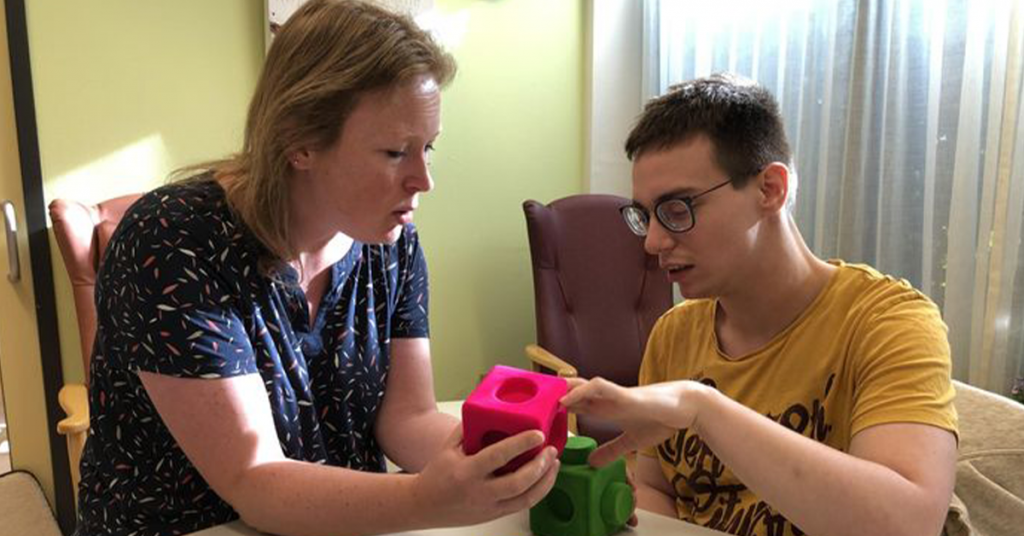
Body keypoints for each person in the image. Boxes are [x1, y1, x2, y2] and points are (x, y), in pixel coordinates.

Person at [74, 2, 560, 535]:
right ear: (299, 141)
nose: (424, 180)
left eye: (429, 148)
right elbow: (253, 479)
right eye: (395, 152)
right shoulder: (173, 241)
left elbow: (408, 419)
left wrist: (509, 460)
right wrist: (425, 498)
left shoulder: (391, 243)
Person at [560, 74, 958, 536]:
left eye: (677, 209)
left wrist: (703, 409)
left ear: (770, 189)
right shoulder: (674, 334)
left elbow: (909, 524)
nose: (652, 242)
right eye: (645, 216)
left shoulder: (888, 323)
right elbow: (657, 490)